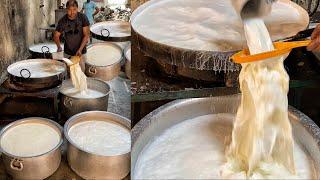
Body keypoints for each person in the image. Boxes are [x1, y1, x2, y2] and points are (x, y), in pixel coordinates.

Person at [54, 0, 90, 71]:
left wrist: (80, 50)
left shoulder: (83, 18)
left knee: (81, 72)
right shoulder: (63, 21)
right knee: (69, 72)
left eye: (74, 9)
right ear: (66, 9)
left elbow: (86, 35)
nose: (72, 12)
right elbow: (56, 35)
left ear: (77, 9)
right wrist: (58, 47)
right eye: (69, 10)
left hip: (81, 52)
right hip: (68, 52)